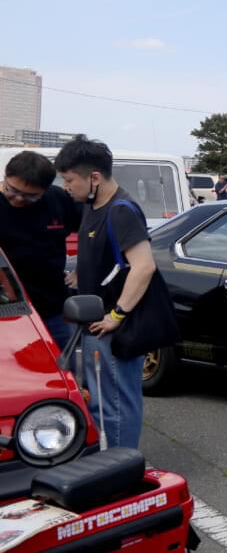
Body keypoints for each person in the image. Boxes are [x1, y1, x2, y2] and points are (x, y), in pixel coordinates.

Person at [55, 135, 158, 449]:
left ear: (94, 177)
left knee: (116, 403)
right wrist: (78, 274)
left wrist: (116, 316)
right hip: (96, 326)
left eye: (70, 180)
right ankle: (109, 462)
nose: (68, 187)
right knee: (102, 400)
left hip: (114, 328)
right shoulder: (92, 206)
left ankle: (120, 470)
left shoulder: (121, 210)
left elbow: (144, 267)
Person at [0, 151, 81, 349]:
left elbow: (91, 232)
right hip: (7, 307)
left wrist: (81, 270)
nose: (18, 199)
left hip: (52, 307)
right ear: (4, 177)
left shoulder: (58, 200)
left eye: (30, 197)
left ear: (45, 190)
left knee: (59, 368)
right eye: (11, 190)